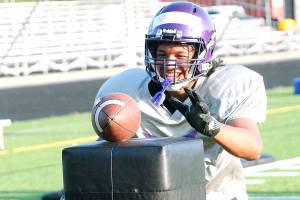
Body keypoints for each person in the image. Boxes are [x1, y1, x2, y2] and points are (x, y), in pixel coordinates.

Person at [92, 1, 267, 200]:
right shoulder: (125, 90)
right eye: (162, 54)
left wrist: (213, 127)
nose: (170, 64)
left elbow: (253, 149)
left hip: (217, 195)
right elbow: (106, 154)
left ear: (203, 53)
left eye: (180, 55)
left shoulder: (225, 85)